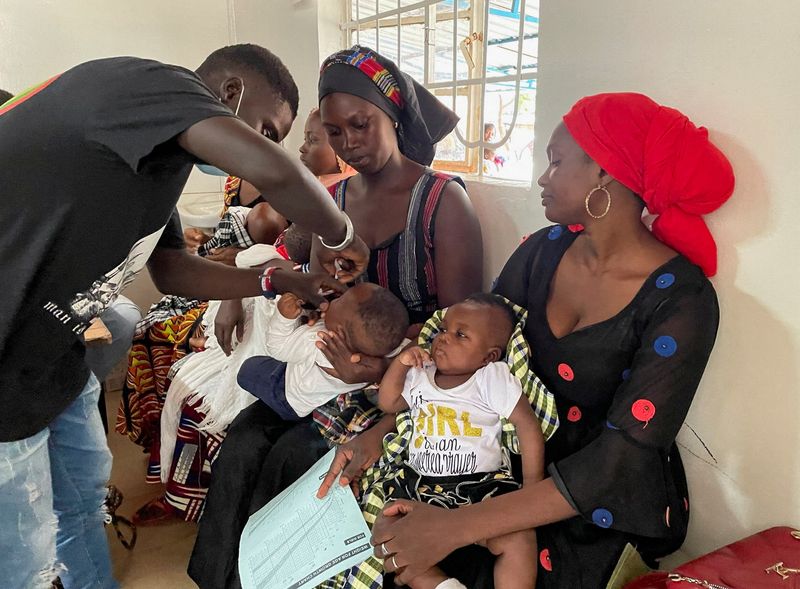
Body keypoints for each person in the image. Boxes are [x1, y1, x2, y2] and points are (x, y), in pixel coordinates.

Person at [323, 92, 735, 589]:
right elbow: (470, 356)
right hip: (494, 452)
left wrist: (454, 527)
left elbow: (622, 458)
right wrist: (386, 427)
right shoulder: (542, 251)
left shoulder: (683, 300)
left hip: (592, 493)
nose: (543, 178)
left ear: (604, 173)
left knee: (463, 564)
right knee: (369, 533)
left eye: (556, 162)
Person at [0, 43, 371, 589]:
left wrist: (276, 281)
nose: (268, 146)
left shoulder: (157, 164)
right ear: (229, 95)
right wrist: (342, 234)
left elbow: (173, 270)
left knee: (80, 505)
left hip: (54, 358)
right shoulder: (144, 82)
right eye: (269, 128)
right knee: (24, 556)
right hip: (6, 366)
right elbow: (274, 171)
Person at [189, 44, 483, 589]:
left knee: (294, 460)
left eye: (361, 125)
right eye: (336, 131)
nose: (349, 143)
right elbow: (279, 256)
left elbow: (457, 329)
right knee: (244, 444)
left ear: (391, 114)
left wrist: (380, 371)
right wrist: (235, 294)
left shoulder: (442, 204)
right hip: (322, 372)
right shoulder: (334, 198)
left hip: (404, 385)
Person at [376, 293, 544, 589]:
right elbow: (388, 403)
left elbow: (527, 428)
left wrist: (530, 494)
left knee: (519, 538)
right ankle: (444, 586)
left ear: (488, 356)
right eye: (442, 329)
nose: (443, 338)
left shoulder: (490, 379)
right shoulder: (420, 374)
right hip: (420, 486)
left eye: (460, 334)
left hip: (480, 489)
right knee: (386, 535)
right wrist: (402, 364)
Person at [241, 283, 409, 420]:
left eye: (340, 300)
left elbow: (277, 347)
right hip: (320, 398)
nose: (334, 299)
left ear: (338, 331)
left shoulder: (318, 342)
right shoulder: (386, 348)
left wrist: (284, 317)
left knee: (248, 369)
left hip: (287, 395)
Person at [299, 107, 357, 187]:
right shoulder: (307, 186)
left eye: (312, 140)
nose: (301, 149)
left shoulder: (350, 193)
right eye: (305, 139)